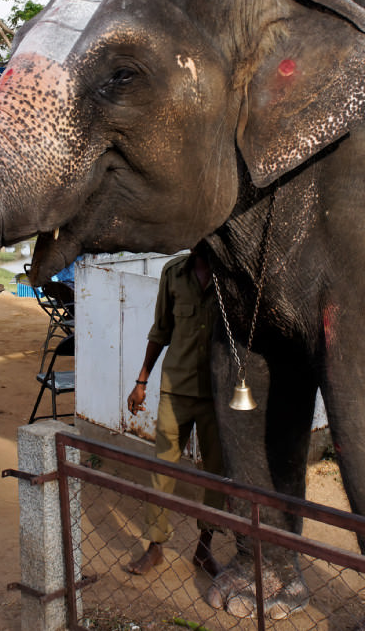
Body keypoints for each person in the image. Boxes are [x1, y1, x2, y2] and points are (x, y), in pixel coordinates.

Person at [124, 247, 224, 577]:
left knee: (215, 474)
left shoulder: (230, 275)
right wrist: (142, 381)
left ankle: (204, 547)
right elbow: (160, 331)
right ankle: (155, 546)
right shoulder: (173, 274)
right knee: (162, 467)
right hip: (175, 387)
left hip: (216, 394)